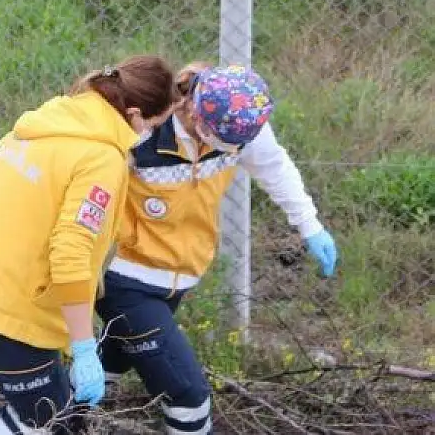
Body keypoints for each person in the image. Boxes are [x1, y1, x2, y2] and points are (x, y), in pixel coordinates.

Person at [0, 56, 179, 434]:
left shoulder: (55, 119)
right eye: (154, 125)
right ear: (134, 113)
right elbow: (71, 251)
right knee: (44, 421)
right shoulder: (102, 156)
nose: (152, 134)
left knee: (60, 418)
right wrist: (84, 346)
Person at [95, 63, 340, 435]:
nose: (234, 150)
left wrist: (311, 227)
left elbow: (275, 168)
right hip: (125, 278)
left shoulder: (239, 122)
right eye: (226, 143)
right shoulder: (142, 132)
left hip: (180, 276)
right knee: (188, 395)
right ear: (195, 113)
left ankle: (69, 416)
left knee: (112, 360)